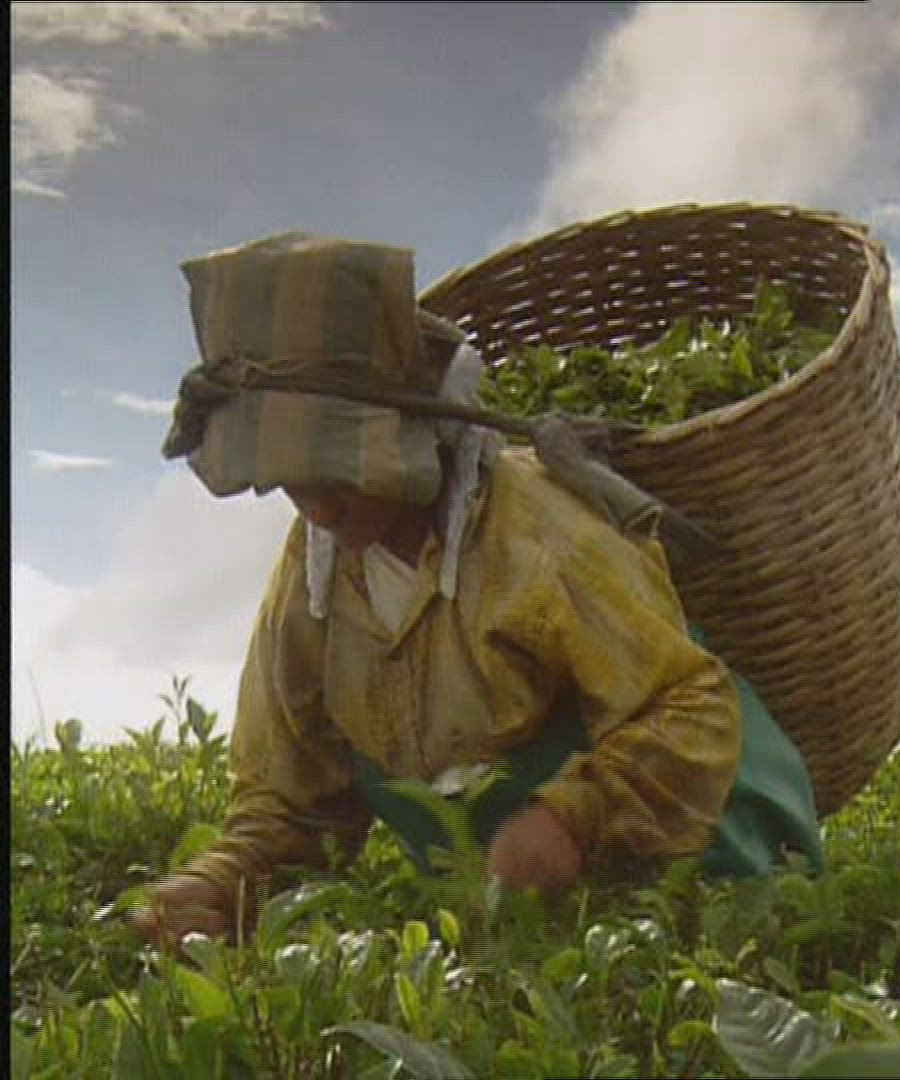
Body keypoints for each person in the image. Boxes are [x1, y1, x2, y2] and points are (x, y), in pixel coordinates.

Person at [129, 232, 825, 949]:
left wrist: (575, 815)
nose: (318, 510)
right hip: (517, 902)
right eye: (287, 483)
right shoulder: (314, 575)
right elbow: (292, 794)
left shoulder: (542, 529)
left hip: (703, 837)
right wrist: (222, 878)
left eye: (337, 476)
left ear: (409, 437)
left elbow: (686, 708)